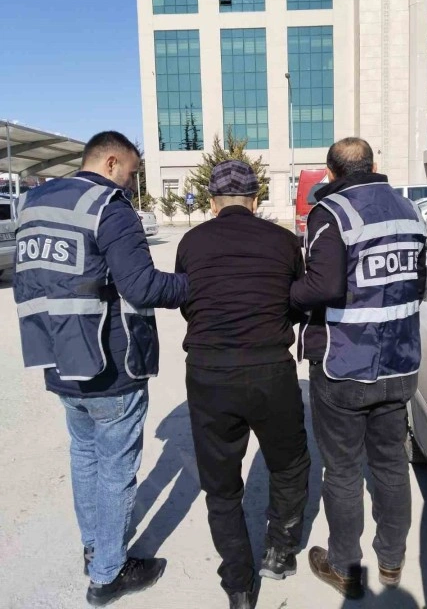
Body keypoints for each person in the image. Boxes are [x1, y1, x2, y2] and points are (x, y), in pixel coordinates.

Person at [13, 131, 188, 607]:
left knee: (85, 457)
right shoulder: (109, 207)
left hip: (58, 357)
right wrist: (196, 285)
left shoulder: (36, 203)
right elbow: (143, 286)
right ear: (111, 162)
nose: (132, 183)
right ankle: (109, 573)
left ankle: (94, 548)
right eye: (131, 172)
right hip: (112, 363)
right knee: (115, 469)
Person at [290, 137, 427, 599]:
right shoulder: (409, 211)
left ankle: (345, 567)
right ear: (373, 164)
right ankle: (391, 562)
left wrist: (289, 296)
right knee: (390, 465)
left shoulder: (332, 212)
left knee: (344, 471)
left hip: (344, 365)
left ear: (330, 172)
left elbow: (322, 286)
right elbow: (418, 283)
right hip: (400, 363)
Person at [175, 160, 311, 609]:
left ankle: (238, 584)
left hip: (209, 373)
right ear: (255, 200)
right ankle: (279, 552)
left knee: (221, 483)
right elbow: (296, 302)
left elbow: (188, 304)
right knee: (289, 464)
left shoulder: (191, 242)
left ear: (213, 202)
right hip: (270, 369)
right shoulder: (284, 240)